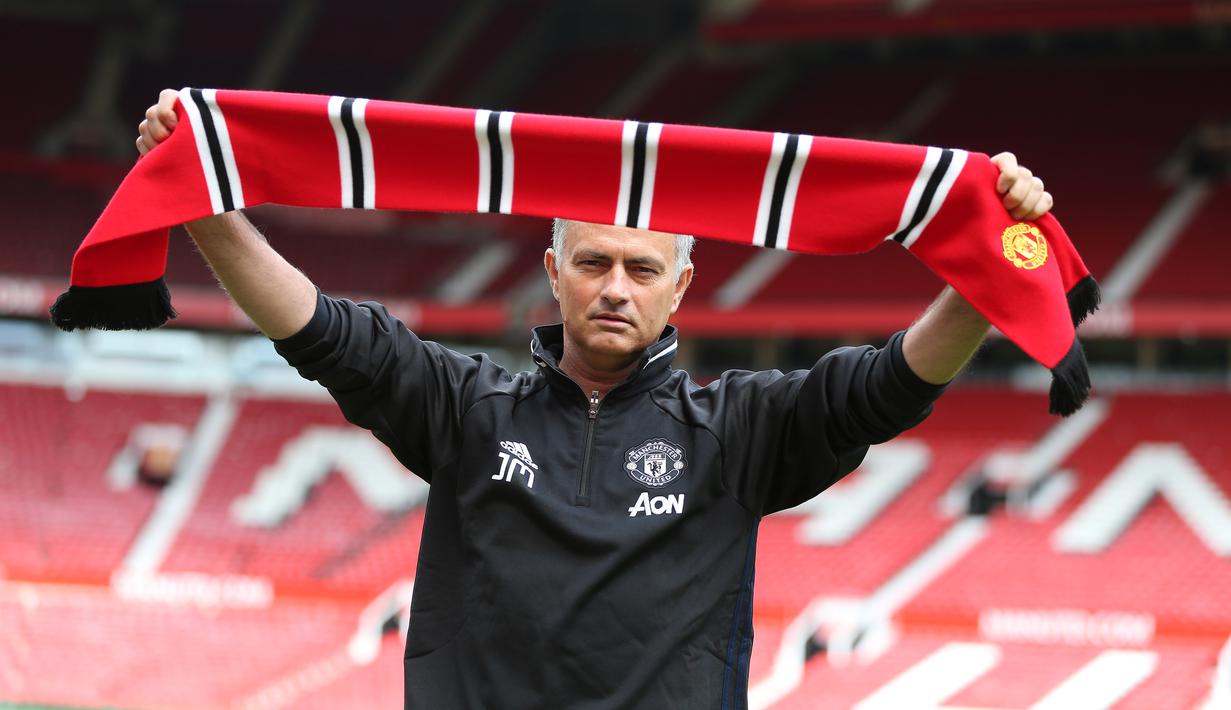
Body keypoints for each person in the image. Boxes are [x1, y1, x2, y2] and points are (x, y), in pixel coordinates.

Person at [137, 88, 1054, 709]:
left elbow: (892, 384)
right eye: (593, 262)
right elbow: (318, 332)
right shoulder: (465, 407)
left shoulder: (740, 427)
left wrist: (991, 265)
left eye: (642, 268)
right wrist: (204, 209)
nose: (616, 287)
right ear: (554, 273)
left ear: (679, 288)